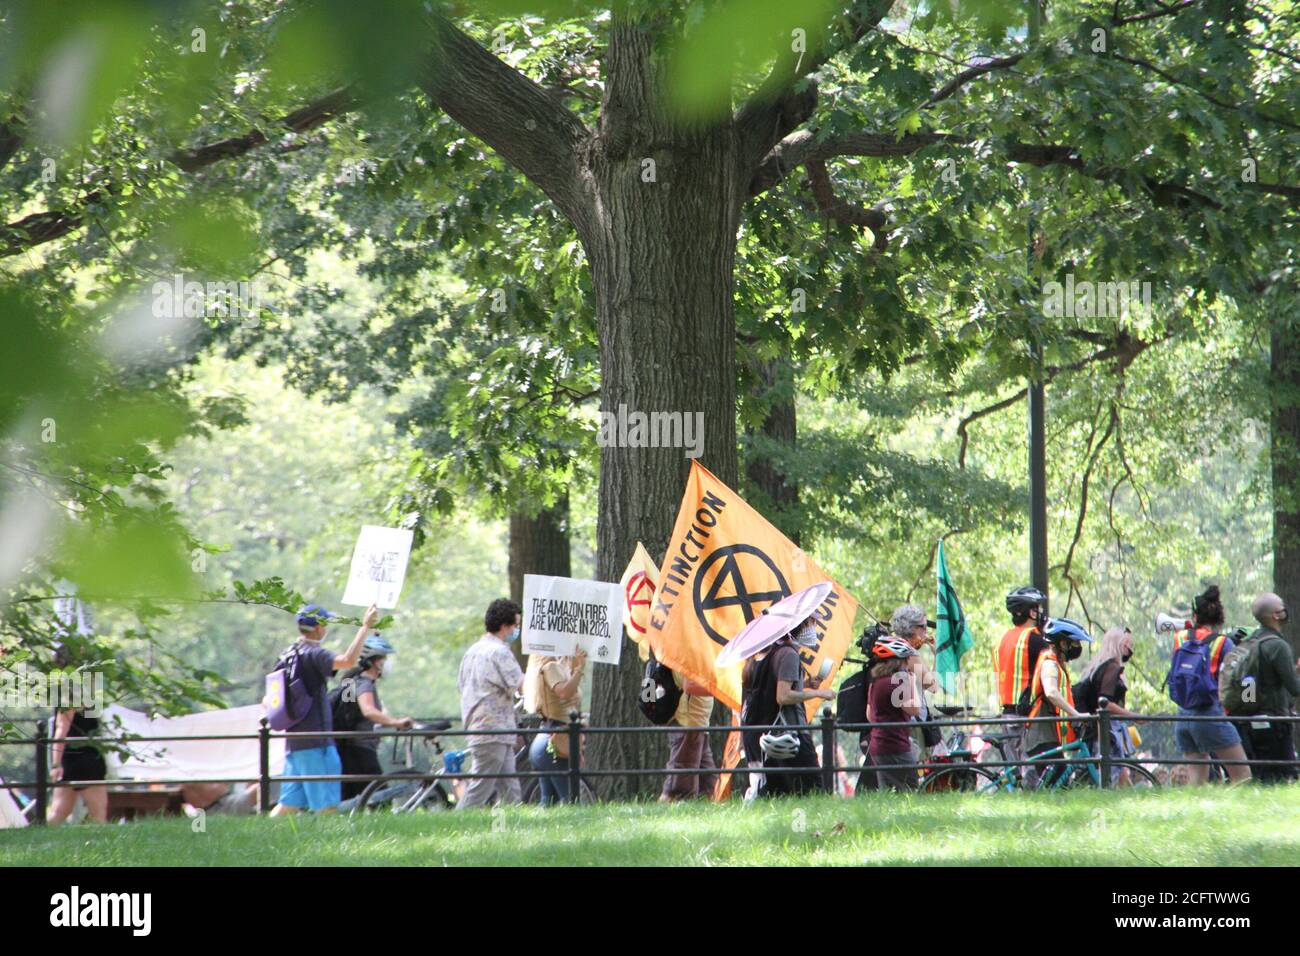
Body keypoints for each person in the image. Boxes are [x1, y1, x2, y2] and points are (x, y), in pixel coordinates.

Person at [269, 602, 380, 816]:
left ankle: (260, 838)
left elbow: (270, 698)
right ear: (319, 627)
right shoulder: (314, 654)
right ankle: (330, 846)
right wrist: (365, 626)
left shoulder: (287, 654)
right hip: (317, 742)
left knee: (288, 805)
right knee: (326, 806)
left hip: (294, 742)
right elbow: (347, 661)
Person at [739, 615, 834, 798]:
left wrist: (805, 684)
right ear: (800, 626)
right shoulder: (789, 654)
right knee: (814, 789)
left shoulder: (765, 654)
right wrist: (819, 693)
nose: (814, 628)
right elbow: (782, 696)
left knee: (777, 792)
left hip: (760, 731)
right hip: (789, 730)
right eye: (811, 623)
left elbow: (771, 688)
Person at [1169, 585, 1251, 785]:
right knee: (1243, 777)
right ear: (1220, 617)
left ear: (1195, 616)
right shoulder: (1224, 643)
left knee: (1196, 781)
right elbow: (1238, 681)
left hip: (1183, 714)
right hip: (1209, 713)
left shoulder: (1180, 637)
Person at [456, 598, 526, 810]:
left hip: (486, 727)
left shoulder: (472, 652)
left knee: (510, 788)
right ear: (505, 626)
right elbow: (522, 684)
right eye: (516, 625)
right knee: (480, 787)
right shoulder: (500, 652)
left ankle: (511, 829)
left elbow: (461, 685)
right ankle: (454, 825)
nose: (518, 630)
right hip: (492, 728)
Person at [334, 634, 414, 801]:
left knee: (349, 799)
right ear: (372, 662)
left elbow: (355, 715)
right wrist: (395, 722)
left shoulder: (352, 681)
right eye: (382, 659)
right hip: (361, 751)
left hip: (347, 748)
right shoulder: (364, 683)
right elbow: (368, 711)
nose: (386, 662)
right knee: (379, 798)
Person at [1230, 593, 1300, 782]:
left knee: (1262, 778)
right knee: (1286, 777)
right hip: (1275, 721)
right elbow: (1295, 689)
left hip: (1251, 721)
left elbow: (1252, 684)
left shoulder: (1251, 642)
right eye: (1282, 606)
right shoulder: (1278, 646)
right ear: (1275, 615)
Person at [1023, 617, 1090, 787]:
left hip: (1047, 735)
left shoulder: (1056, 664)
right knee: (1058, 785)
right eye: (1074, 643)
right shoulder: (1050, 664)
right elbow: (1051, 691)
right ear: (1062, 643)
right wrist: (1075, 714)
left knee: (1058, 785)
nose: (1077, 647)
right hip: (1041, 735)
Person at [1076, 626, 1142, 786]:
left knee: (1120, 771)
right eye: (1128, 644)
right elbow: (1106, 703)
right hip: (1108, 727)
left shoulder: (1099, 667)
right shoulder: (1112, 667)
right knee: (1110, 771)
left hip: (1099, 727)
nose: (1130, 649)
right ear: (1120, 645)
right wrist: (1132, 715)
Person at [524, 648, 587, 805]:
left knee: (549, 800)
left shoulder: (559, 667)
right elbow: (563, 692)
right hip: (553, 742)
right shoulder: (550, 666)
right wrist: (579, 670)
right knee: (570, 798)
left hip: (555, 739)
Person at [994, 586, 1048, 764]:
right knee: (1030, 768)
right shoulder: (1035, 639)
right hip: (1027, 713)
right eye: (1038, 608)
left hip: (1007, 713)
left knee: (1015, 768)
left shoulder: (1003, 638)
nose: (1041, 612)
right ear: (1030, 612)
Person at [865, 637, 924, 791]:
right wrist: (912, 682)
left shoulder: (875, 681)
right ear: (900, 660)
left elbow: (870, 716)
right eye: (908, 658)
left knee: (888, 795)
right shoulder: (898, 680)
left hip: (878, 746)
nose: (910, 662)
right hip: (896, 746)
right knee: (911, 791)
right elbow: (915, 709)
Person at [660, 669, 717, 801]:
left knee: (709, 784)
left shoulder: (697, 655)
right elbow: (689, 686)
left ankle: (712, 816)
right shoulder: (687, 656)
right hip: (688, 725)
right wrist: (718, 687)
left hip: (699, 725)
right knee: (679, 787)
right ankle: (661, 816)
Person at [48, 706, 108, 825]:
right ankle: (102, 841)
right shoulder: (72, 696)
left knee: (60, 811)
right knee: (98, 812)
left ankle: (39, 836)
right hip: (84, 757)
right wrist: (56, 764)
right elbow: (61, 728)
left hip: (74, 757)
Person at [181, 782, 259, 817]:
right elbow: (215, 791)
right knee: (259, 788)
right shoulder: (190, 778)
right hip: (218, 807)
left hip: (224, 801)